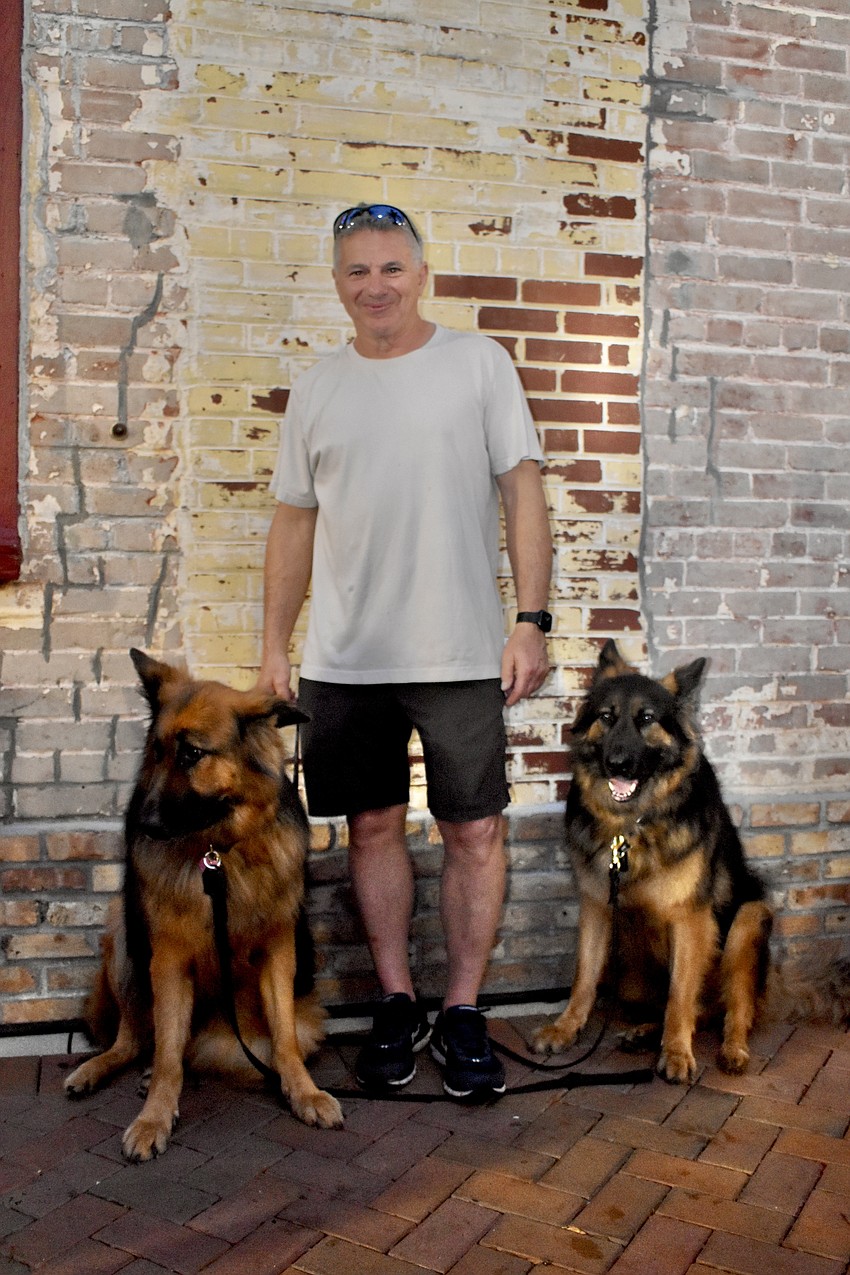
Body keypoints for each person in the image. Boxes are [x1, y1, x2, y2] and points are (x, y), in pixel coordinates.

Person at [258, 203, 553, 1102]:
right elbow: (293, 522)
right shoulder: (317, 388)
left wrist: (531, 619)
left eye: (391, 267)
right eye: (356, 271)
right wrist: (274, 642)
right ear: (337, 282)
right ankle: (397, 999)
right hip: (346, 657)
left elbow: (523, 492)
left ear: (421, 273)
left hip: (463, 648)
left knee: (476, 829)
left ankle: (461, 1009)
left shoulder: (477, 364)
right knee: (371, 826)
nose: (374, 285)